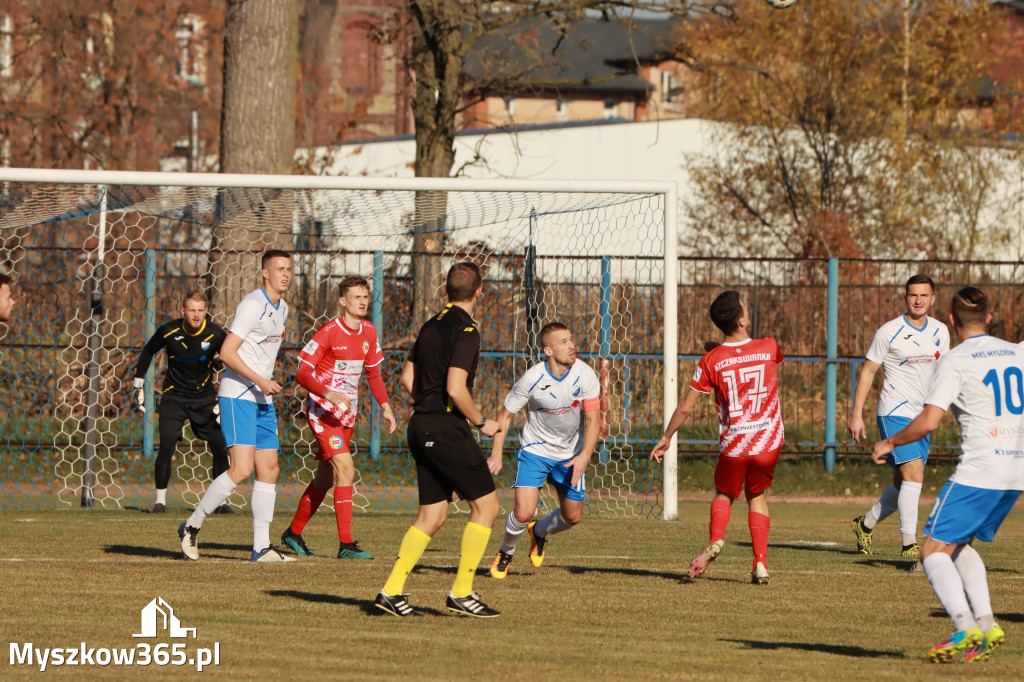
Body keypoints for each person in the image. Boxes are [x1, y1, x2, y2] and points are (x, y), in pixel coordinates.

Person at [871, 286, 1022, 663]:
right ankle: (987, 625)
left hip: (981, 469)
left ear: (951, 321)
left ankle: (963, 626)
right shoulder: (1016, 352)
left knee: (932, 552)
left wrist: (890, 443)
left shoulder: (956, 359)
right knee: (959, 544)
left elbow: (927, 421)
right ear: (989, 318)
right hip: (1015, 470)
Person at [373, 262, 503, 618]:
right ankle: (462, 592)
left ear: (447, 291)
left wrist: (427, 405)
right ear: (480, 291)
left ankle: (391, 591)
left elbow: (406, 377)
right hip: (446, 427)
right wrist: (481, 422)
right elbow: (455, 388)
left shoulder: (430, 325)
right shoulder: (467, 331)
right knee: (487, 507)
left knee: (433, 513)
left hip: (420, 424)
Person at [651, 290, 784, 585]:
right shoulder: (770, 346)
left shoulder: (710, 360)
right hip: (768, 441)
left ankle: (716, 540)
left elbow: (686, 406)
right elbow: (751, 358)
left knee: (725, 494)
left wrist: (666, 436)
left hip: (735, 445)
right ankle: (760, 563)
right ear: (742, 319)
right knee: (757, 496)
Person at [177, 250, 295, 563]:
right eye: (279, 269)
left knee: (269, 470)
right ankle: (191, 525)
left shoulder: (283, 307)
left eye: (289, 269)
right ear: (265, 273)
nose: (286, 274)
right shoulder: (253, 304)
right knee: (241, 469)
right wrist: (259, 379)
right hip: (238, 395)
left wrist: (264, 384)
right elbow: (227, 353)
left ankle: (261, 548)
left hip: (262, 397)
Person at [280, 276, 397, 559]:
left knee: (326, 477)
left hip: (347, 415)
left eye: (365, 296)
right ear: (343, 301)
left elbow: (374, 373)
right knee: (346, 469)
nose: (363, 301)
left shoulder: (369, 331)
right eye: (356, 296)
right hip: (323, 413)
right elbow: (303, 373)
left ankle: (293, 533)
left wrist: (385, 405)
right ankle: (346, 545)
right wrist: (329, 395)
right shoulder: (329, 332)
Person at [488, 321, 600, 579]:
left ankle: (538, 532)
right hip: (535, 451)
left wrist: (584, 456)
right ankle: (506, 552)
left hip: (571, 454)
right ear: (548, 351)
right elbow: (504, 417)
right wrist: (496, 452)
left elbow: (594, 420)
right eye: (563, 342)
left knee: (572, 517)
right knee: (523, 511)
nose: (571, 346)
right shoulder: (532, 378)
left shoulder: (584, 374)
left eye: (571, 339)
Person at [849, 275, 950, 560]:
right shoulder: (888, 331)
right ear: (905, 297)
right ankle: (909, 545)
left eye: (923, 295)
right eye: (912, 295)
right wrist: (857, 415)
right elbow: (868, 372)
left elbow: (946, 373)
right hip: (893, 411)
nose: (918, 300)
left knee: (901, 483)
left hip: (923, 416)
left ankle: (865, 524)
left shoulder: (941, 331)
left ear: (933, 298)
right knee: (914, 473)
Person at [132, 290, 229, 514]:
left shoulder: (216, 334)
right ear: (183, 311)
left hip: (204, 398)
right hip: (174, 397)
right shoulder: (169, 330)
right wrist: (137, 385)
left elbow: (232, 359)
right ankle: (160, 501)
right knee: (166, 445)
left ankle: (221, 503)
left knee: (220, 445)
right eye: (192, 310)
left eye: (200, 310)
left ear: (206, 311)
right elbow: (148, 351)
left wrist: (224, 396)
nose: (196, 315)